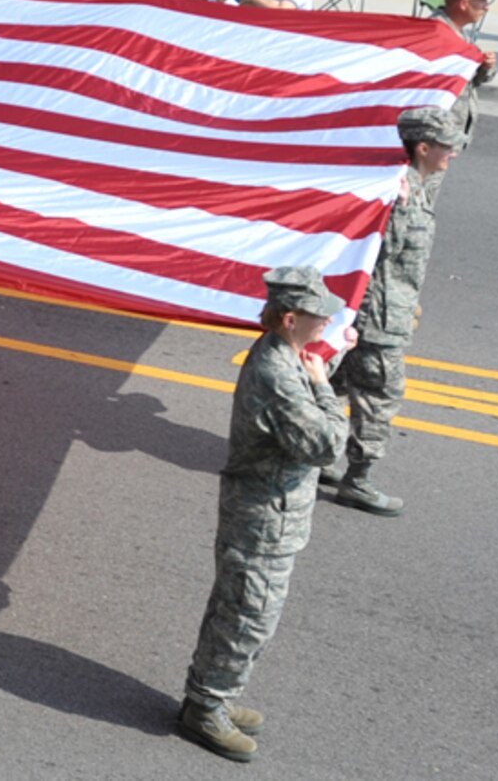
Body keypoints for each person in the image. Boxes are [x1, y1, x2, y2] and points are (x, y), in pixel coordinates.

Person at [178, 266, 350, 763]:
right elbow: (325, 444)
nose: (327, 323)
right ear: (291, 317)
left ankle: (216, 694)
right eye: (320, 317)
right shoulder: (276, 371)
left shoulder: (286, 352)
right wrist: (324, 391)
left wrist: (323, 369)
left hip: (273, 512)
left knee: (242, 611)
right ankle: (205, 708)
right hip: (263, 519)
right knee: (247, 616)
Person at [328, 106, 459, 517]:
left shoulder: (415, 184)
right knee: (380, 396)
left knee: (336, 385)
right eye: (447, 146)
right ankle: (358, 480)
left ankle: (316, 456)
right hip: (379, 318)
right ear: (423, 148)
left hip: (387, 307)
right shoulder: (397, 194)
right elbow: (384, 257)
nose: (453, 153)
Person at [428, 0, 498, 169]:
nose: (487, 7)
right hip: (433, 140)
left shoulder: (458, 33)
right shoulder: (439, 35)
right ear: (465, 3)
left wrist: (485, 68)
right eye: (483, 1)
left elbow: (471, 81)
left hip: (446, 138)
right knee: (419, 198)